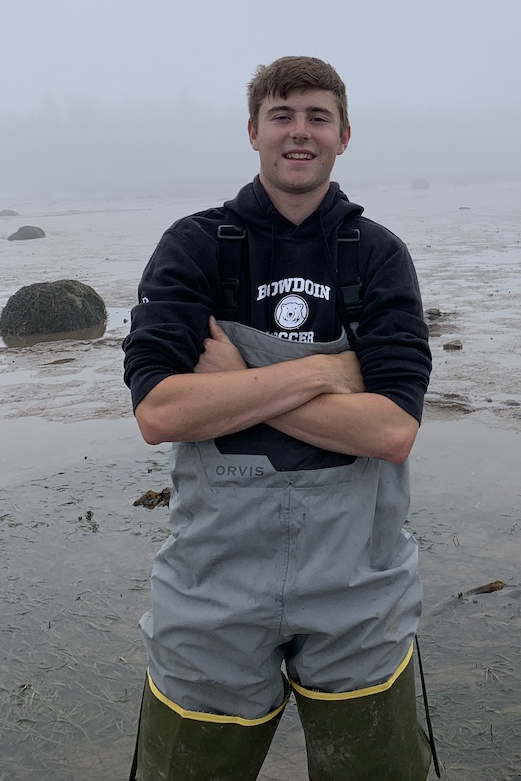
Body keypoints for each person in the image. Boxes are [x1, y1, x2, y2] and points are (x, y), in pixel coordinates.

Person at [123, 56, 434, 781]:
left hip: (361, 585)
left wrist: (242, 381)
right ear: (254, 132)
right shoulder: (195, 246)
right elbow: (160, 410)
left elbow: (391, 432)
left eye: (317, 117)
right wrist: (328, 373)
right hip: (211, 587)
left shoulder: (379, 256)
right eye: (283, 116)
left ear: (344, 136)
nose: (300, 132)